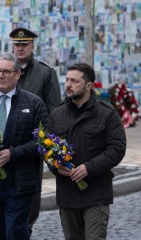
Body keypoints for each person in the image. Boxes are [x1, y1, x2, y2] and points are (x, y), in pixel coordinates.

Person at [0, 27, 61, 234]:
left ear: (32, 46)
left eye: (24, 44)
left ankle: (23, 229)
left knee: (26, 203)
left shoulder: (45, 73)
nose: (20, 48)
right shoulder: (0, 72)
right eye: (16, 44)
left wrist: (44, 142)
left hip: (28, 148)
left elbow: (54, 109)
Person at [0, 53, 49, 240]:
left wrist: (11, 154)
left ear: (18, 74)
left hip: (20, 181)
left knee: (15, 232)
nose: (1, 75)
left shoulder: (34, 103)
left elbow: (42, 142)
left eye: (6, 71)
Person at [47, 63, 126, 240]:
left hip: (96, 193)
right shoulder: (57, 114)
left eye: (74, 81)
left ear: (88, 85)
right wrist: (55, 167)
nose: (68, 85)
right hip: (67, 193)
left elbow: (117, 149)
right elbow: (47, 150)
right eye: (67, 80)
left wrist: (88, 168)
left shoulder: (106, 113)